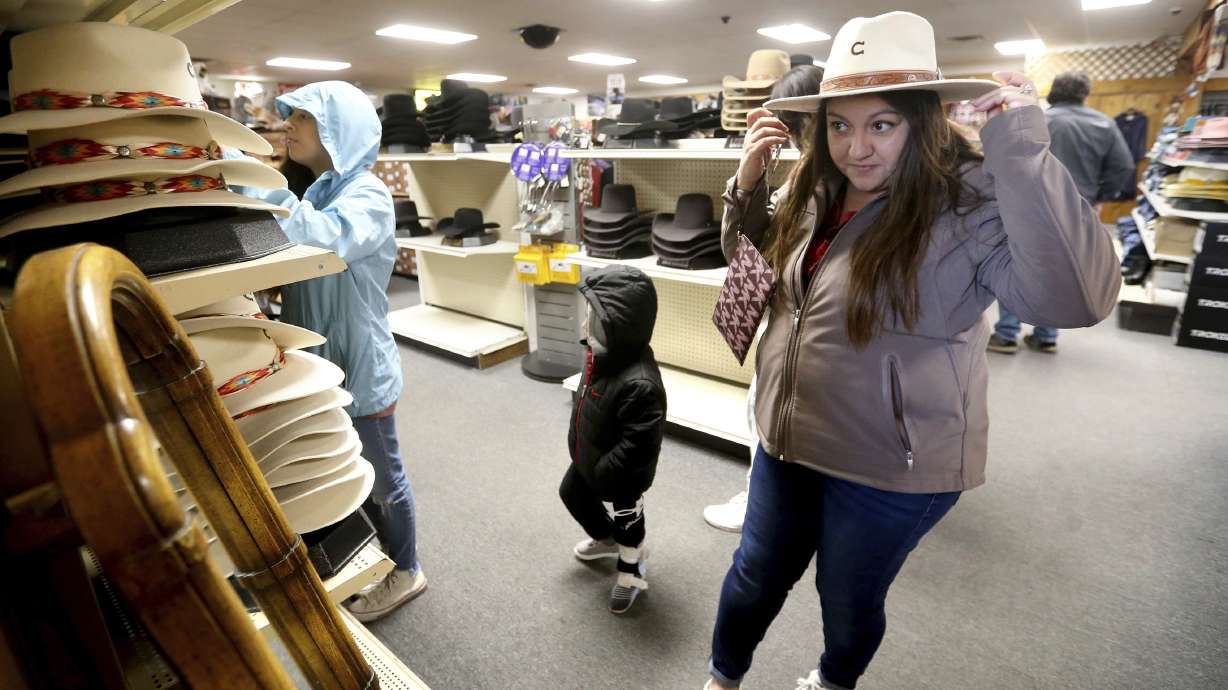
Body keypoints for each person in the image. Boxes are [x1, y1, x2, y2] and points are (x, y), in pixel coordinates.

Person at [707, 11, 1119, 690]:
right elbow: (749, 265)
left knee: (846, 601)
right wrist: (748, 186)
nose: (856, 148)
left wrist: (1020, 155)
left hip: (891, 464)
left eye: (881, 124)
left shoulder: (970, 202)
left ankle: (833, 681)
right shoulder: (815, 188)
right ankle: (723, 676)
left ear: (922, 120)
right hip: (785, 440)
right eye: (840, 124)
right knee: (753, 574)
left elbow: (1072, 302)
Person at [232, 81, 423, 622]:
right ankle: (365, 559)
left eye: (303, 118)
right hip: (321, 366)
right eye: (288, 116)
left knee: (384, 480)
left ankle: (407, 569)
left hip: (361, 369)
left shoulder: (367, 194)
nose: (286, 126)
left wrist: (255, 184)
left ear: (339, 131)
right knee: (343, 473)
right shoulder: (318, 191)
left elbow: (328, 239)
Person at [704, 63, 823, 534]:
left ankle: (767, 503)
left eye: (803, 126)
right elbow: (743, 255)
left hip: (813, 340)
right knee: (762, 414)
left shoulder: (850, 183)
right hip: (784, 334)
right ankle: (763, 495)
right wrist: (747, 183)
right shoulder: (797, 182)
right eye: (793, 128)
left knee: (776, 419)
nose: (800, 139)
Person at [988, 70, 1135, 354]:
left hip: (1028, 206)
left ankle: (1006, 333)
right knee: (1067, 264)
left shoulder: (1033, 120)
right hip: (1079, 207)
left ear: (1054, 91)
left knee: (1018, 261)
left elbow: (1005, 160)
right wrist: (1101, 195)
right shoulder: (1104, 124)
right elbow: (1124, 166)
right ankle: (1046, 335)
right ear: (1084, 94)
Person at [560, 266, 667, 614]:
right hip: (591, 454)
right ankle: (607, 539)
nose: (584, 329)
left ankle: (632, 565)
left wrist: (606, 472)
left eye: (594, 322)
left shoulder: (641, 384)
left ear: (621, 329)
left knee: (628, 521)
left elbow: (639, 443)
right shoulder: (600, 356)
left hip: (621, 474)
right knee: (571, 492)